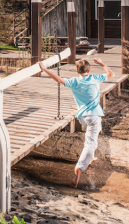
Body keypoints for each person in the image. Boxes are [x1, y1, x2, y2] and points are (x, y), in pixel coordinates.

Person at [39, 57, 113, 188]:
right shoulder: (95, 78)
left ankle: (90, 157)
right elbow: (111, 74)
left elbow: (58, 79)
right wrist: (102, 63)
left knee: (90, 140)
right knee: (91, 143)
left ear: (77, 70)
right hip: (94, 116)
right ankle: (79, 170)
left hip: (82, 117)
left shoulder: (74, 81)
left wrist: (44, 69)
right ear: (89, 70)